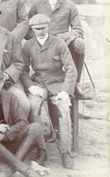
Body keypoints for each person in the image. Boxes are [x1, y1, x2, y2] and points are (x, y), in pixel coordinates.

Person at [20, 14, 77, 168]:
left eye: (42, 28)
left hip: (58, 83)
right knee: (32, 106)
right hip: (38, 83)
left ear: (48, 27)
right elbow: (23, 70)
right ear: (31, 29)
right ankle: (41, 149)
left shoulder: (59, 43)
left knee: (64, 110)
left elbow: (71, 69)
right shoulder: (28, 45)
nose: (39, 31)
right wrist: (31, 87)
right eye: (36, 29)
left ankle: (66, 152)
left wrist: (65, 91)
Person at [27, 0, 85, 97]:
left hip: (64, 44)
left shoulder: (69, 5)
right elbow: (28, 30)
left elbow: (78, 30)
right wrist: (41, 39)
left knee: (80, 44)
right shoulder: (37, 6)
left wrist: (60, 38)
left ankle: (75, 83)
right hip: (44, 46)